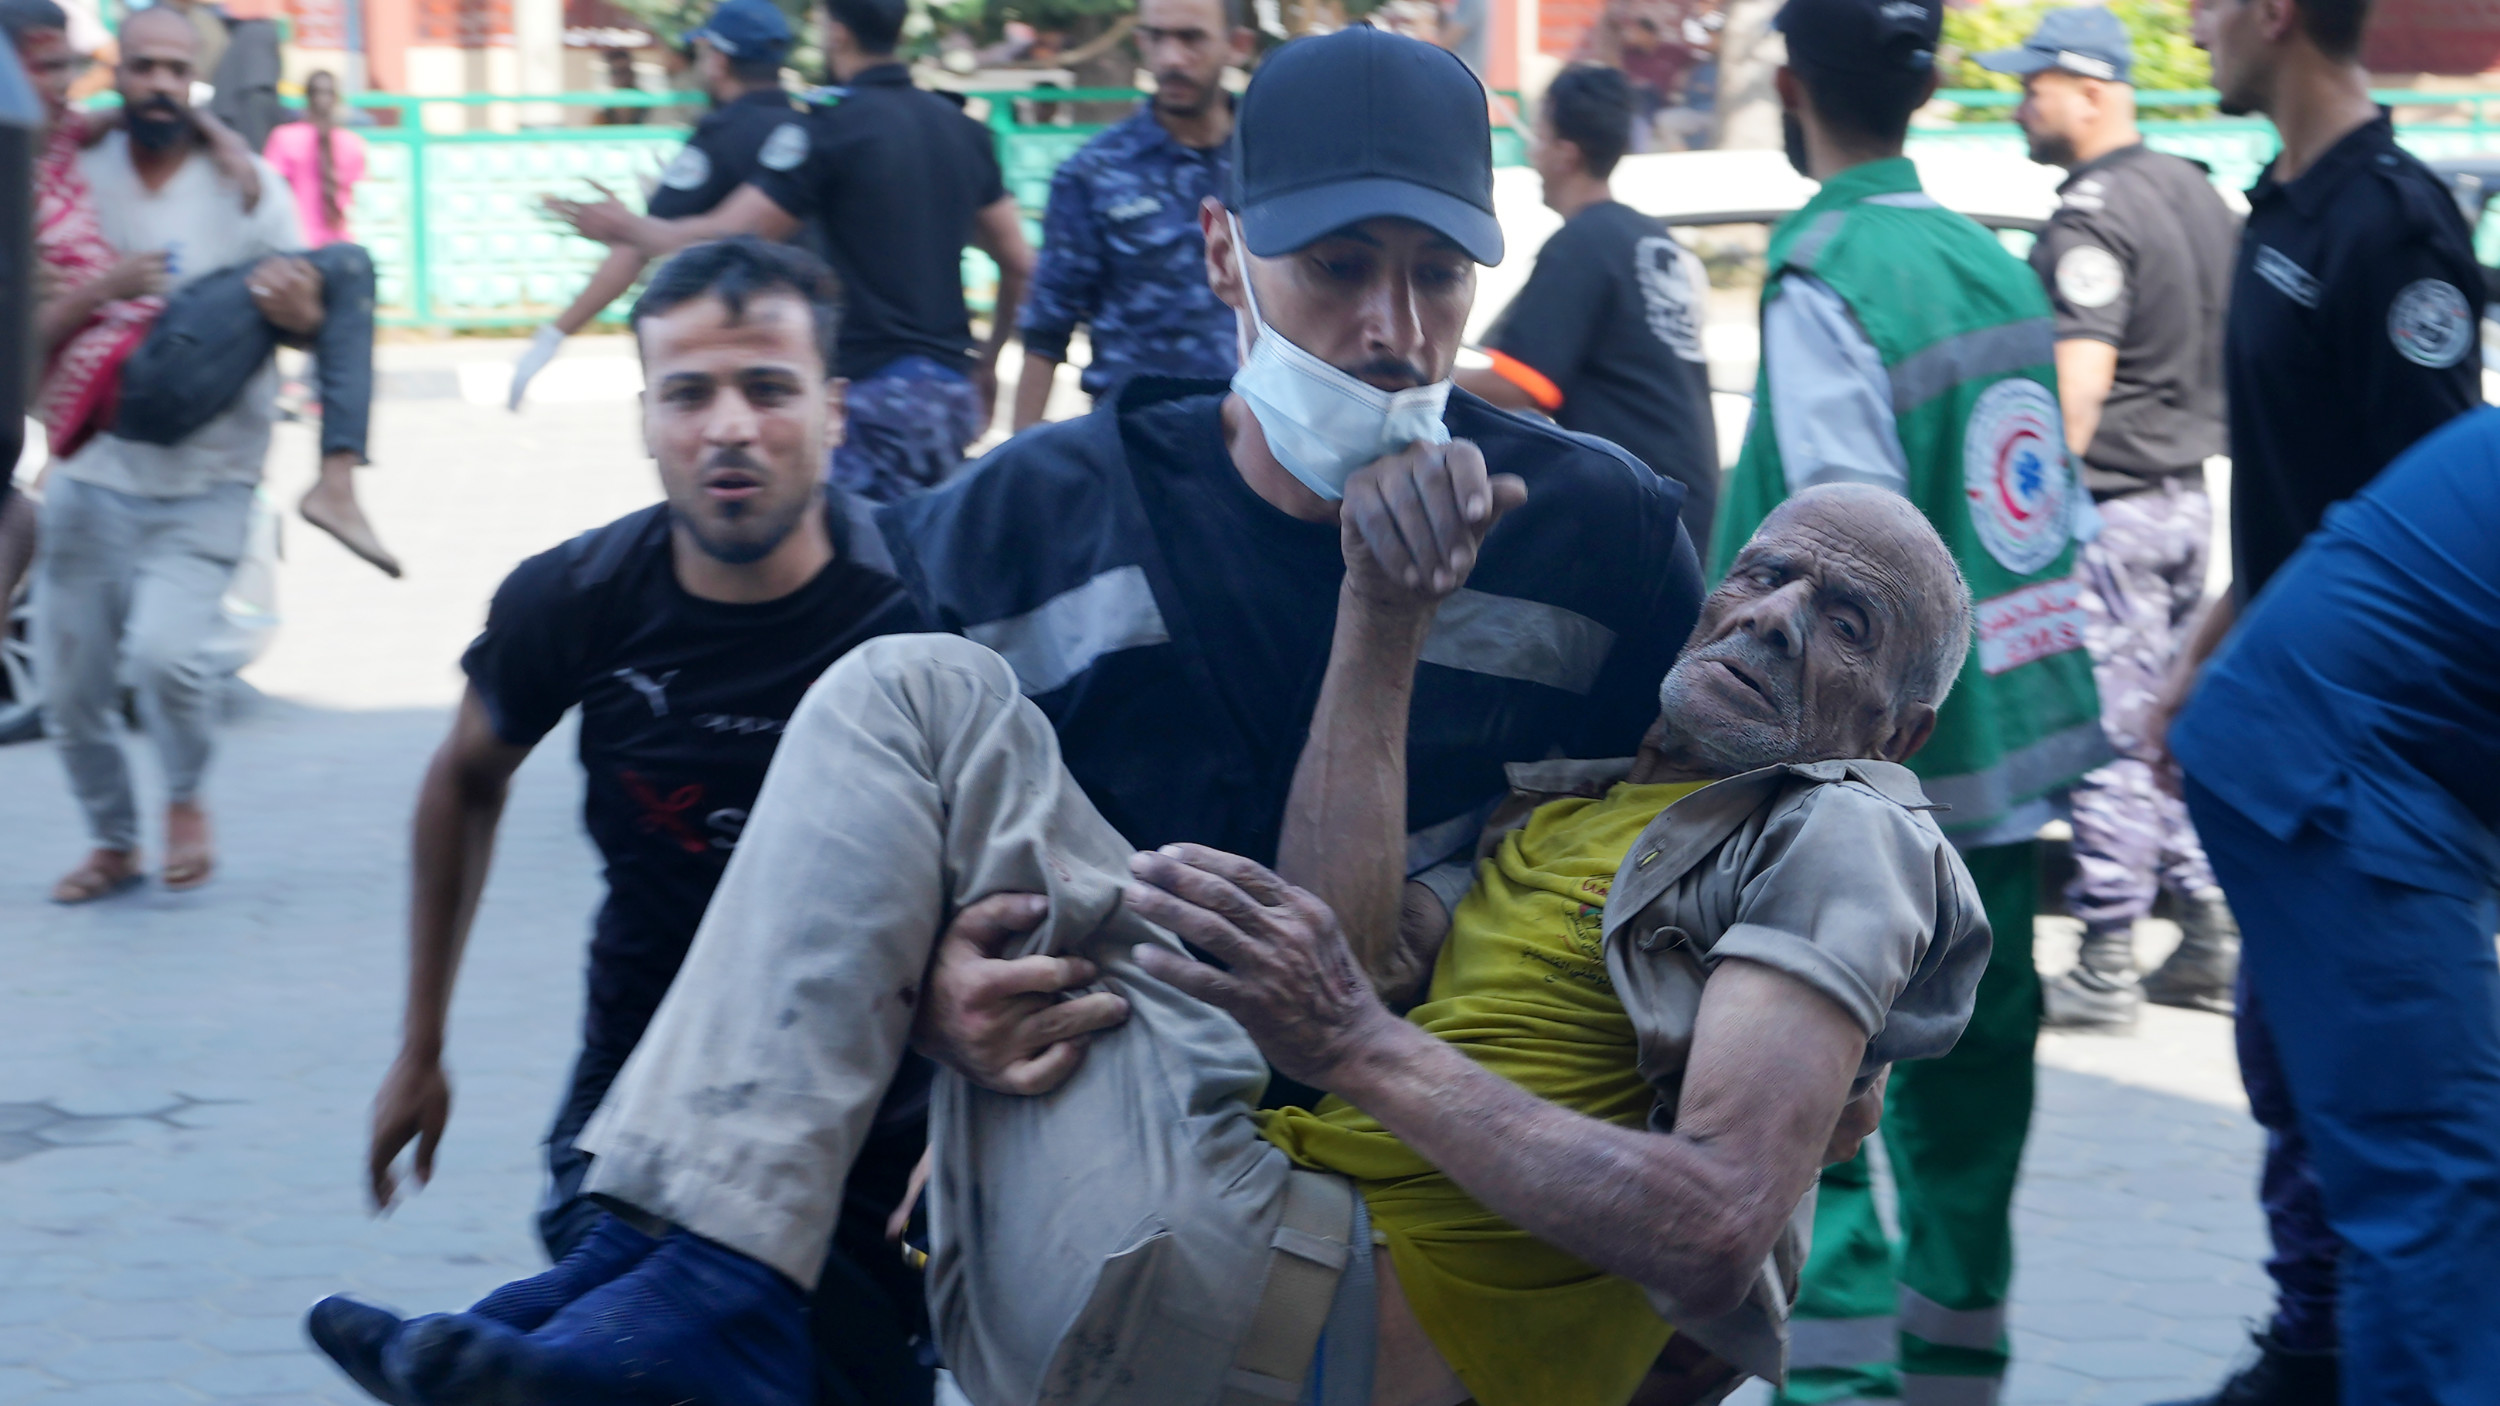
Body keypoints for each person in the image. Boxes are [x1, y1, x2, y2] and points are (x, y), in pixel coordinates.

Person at [314, 26, 1723, 1401]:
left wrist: (1740, 1178)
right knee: (895, 688)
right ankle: (701, 1279)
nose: (1392, 333)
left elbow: (1717, 868)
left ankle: (699, 1295)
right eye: (1338, 266)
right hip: (1110, 1154)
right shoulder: (1009, 529)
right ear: (1223, 252)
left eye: (1438, 275)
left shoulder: (1597, 532)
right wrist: (930, 994)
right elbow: (849, 879)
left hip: (1455, 1175)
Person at [315, 475, 1991, 1406]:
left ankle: (703, 1296)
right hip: (1227, 1245)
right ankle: (664, 1275)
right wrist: (946, 987)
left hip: (1273, 1303)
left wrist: (1357, 1046)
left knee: (917, 695)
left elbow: (1713, 1233)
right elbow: (1331, 954)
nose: (1777, 614)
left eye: (1844, 619)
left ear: (1898, 730)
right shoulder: (1587, 815)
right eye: (1765, 574)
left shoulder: (1846, 823)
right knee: (928, 706)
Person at [360, 237, 943, 1406]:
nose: (728, 426)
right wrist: (421, 1043)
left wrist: (977, 1116)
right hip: (637, 1104)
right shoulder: (573, 599)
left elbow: (1025, 862)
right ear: (646, 418)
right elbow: (464, 780)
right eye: (688, 393)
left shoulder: (930, 602)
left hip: (876, 1130)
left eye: (767, 388)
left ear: (831, 409)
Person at [1708, 0, 2109, 1401]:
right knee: (1974, 1105)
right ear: (1928, 82)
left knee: (1809, 1098)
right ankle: (1956, 1373)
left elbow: (1850, 545)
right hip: (2001, 766)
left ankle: (1841, 1387)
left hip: (1864, 786)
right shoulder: (1989, 261)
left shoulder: (1827, 266)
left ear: (1792, 86)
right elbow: (2040, 513)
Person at [2150, 0, 2485, 1397]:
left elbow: (2411, 511)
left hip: (2375, 733)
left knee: (2384, 1107)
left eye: (2209, 4)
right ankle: (2320, 1331)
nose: (2194, 27)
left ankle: (2334, 1342)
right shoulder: (2275, 209)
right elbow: (2296, 508)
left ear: (2276, 12)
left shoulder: (2391, 226)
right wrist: (2205, 651)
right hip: (2286, 697)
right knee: (2289, 1057)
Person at [2170, 408, 2500, 1406]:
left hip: (2361, 742)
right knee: (2434, 1168)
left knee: (2414, 1152)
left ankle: (2330, 1362)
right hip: (2340, 763)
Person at [37, 5, 392, 905]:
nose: (160, 83)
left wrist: (301, 317)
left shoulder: (246, 185)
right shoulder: (76, 166)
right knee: (70, 689)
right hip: (90, 474)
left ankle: (185, 795)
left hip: (210, 477)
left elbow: (307, 317)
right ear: (118, 72)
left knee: (167, 661)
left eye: (175, 69)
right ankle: (113, 842)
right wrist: (107, 290)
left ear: (194, 78)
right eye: (144, 66)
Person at [1976, 5, 2244, 1031]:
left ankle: (2107, 955)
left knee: (2108, 733)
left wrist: (2033, 529)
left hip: (2112, 511)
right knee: (2164, 722)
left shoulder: (2091, 213)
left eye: (2031, 85)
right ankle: (2208, 929)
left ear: (2089, 91)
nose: (2018, 104)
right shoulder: (2194, 189)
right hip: (2185, 499)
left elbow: (2076, 389)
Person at [553, 0, 1037, 502]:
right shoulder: (961, 127)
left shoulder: (828, 128)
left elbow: (735, 232)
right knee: (932, 540)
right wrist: (989, 359)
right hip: (948, 392)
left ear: (837, 32)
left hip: (865, 395)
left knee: (848, 545)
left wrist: (630, 228)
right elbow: (1020, 264)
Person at [1455, 64, 1719, 544]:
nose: (1532, 153)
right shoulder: (1649, 237)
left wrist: (1421, 380)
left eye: (1540, 136)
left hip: (1636, 509)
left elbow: (1523, 385)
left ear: (1566, 153)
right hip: (1685, 506)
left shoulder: (1581, 243)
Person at [511, 0, 809, 409]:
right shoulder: (808, 129)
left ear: (718, 60)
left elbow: (638, 243)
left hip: (731, 340)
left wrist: (554, 334)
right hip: (805, 336)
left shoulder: (722, 136)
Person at [1008, 0, 1250, 430]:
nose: (1171, 58)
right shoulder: (1093, 173)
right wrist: (1016, 458)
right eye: (1157, 37)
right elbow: (1046, 329)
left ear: (1237, 45)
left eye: (1191, 38)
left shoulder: (1274, 162)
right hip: (1137, 441)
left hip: (1259, 441)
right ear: (1140, 43)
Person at [264, 71, 366, 248]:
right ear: (336, 99)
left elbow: (269, 192)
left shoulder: (283, 138)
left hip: (295, 243)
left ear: (306, 97)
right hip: (340, 246)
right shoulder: (352, 143)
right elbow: (359, 199)